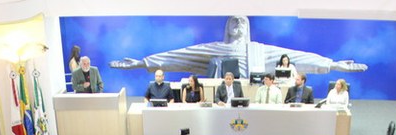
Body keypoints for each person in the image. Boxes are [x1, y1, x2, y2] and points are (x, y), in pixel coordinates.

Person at [109, 17, 368, 78]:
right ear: (227, 27)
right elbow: (180, 56)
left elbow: (297, 58)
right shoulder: (216, 49)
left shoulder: (259, 50)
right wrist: (143, 62)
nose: (239, 25)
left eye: (242, 22)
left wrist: (333, 64)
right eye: (234, 22)